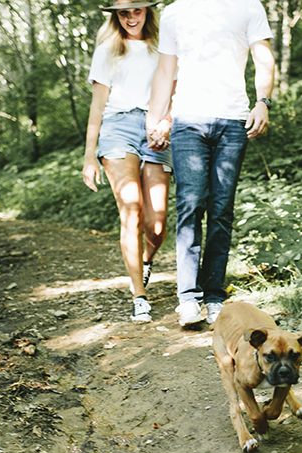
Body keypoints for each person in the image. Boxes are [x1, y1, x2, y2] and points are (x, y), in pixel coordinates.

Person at [145, 0, 275, 327]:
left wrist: (263, 102)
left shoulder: (248, 7)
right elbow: (164, 70)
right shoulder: (175, 12)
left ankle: (213, 294)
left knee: (221, 209)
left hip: (233, 120)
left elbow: (264, 58)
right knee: (190, 203)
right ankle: (188, 298)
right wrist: (155, 118)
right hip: (188, 120)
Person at [83, 0, 174, 324]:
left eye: (137, 10)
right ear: (115, 16)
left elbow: (175, 92)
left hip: (156, 127)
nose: (131, 18)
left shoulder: (163, 46)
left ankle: (145, 261)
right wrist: (89, 155)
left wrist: (167, 121)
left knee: (158, 224)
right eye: (124, 13)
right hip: (117, 128)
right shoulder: (108, 50)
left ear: (148, 11)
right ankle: (139, 295)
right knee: (131, 209)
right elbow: (97, 106)